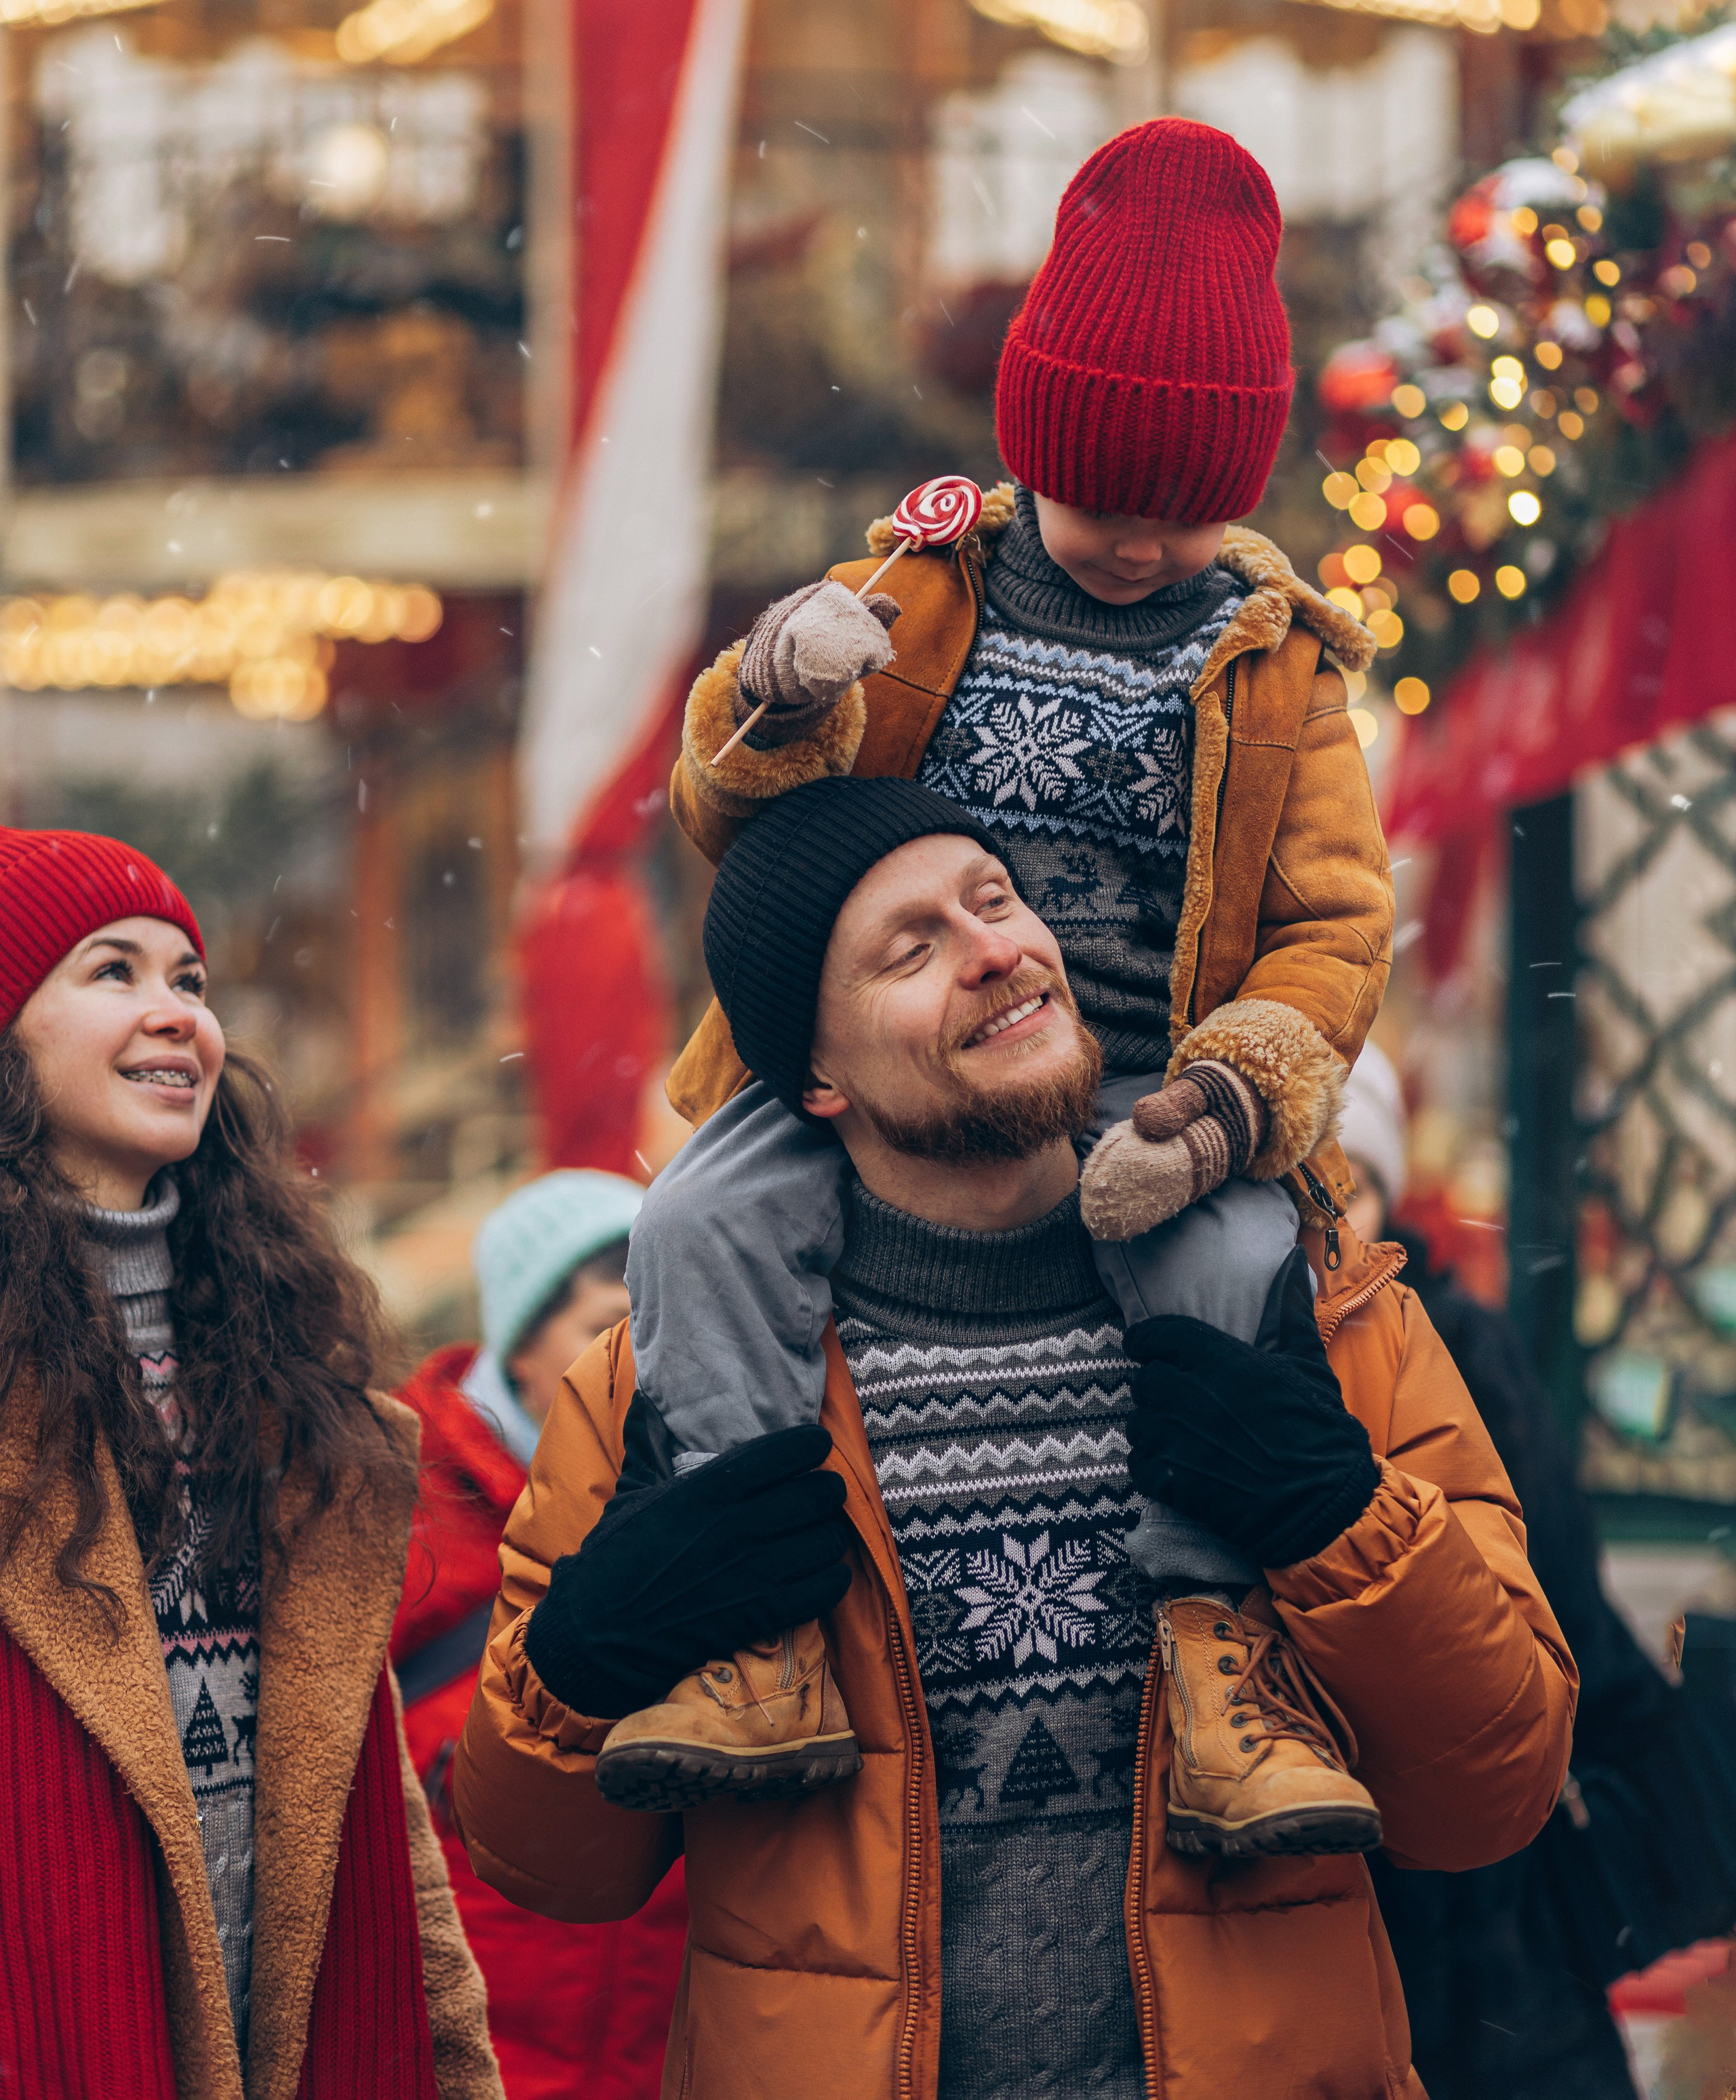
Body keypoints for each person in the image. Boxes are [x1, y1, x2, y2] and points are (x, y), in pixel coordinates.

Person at [453, 779, 1576, 2100]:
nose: (994, 946)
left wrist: (1334, 1518)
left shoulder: (1311, 1314)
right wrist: (586, 1659)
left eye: (995, 900)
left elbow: (1492, 1787)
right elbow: (550, 1871)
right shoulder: (668, 1388)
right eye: (910, 947)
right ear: (814, 1075)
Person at [618, 117, 1396, 1849]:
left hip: (1146, 1082)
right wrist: (776, 687)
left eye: (1182, 511)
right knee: (692, 1225)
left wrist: (1216, 1109)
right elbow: (721, 807)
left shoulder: (1277, 667)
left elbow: (1333, 932)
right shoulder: (917, 581)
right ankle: (754, 1621)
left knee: (1236, 1255)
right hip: (889, 1051)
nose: (1134, 542)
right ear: (1027, 451)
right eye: (1102, 499)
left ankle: (1209, 1647)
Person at [0, 825, 500, 2099]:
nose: (174, 1015)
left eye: (190, 981)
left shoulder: (289, 1376)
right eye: (111, 971)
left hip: (314, 2036)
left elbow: (367, 1794)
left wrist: (456, 2062)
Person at [1337, 1046, 1735, 2100]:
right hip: (1339, 1895)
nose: (1329, 1221)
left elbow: (1552, 1601)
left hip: (1495, 1905)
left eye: (1352, 1182)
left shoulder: (1462, 1351)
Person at [391, 1170, 688, 2100]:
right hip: (479, 2055)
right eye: (609, 1322)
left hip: (670, 2046)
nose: (643, 1355)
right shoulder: (398, 1505)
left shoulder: (730, 1496)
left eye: (669, 1316)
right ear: (520, 1349)